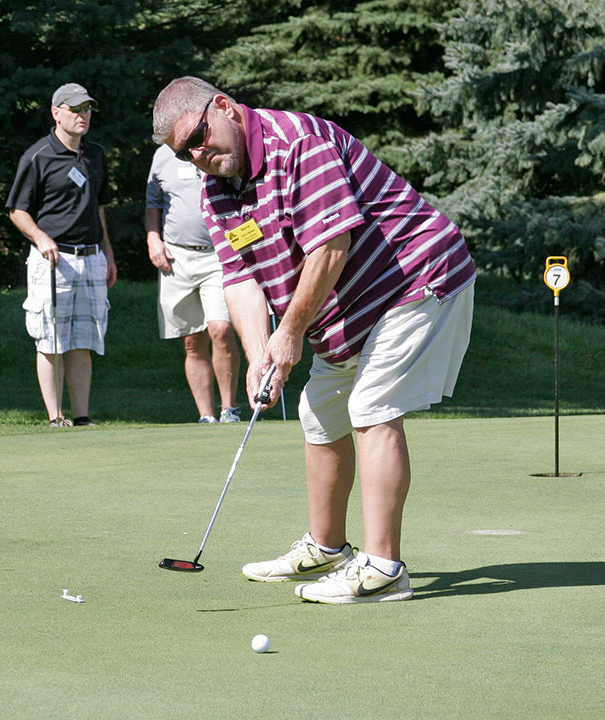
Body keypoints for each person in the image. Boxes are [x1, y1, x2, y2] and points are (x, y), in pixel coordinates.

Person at [152, 76, 475, 604]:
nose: (198, 155)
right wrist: (260, 357)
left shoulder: (296, 142)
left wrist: (290, 334)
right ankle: (329, 549)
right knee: (320, 410)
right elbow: (241, 278)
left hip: (417, 277)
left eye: (199, 137)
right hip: (348, 305)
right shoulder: (215, 189)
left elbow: (331, 246)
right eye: (185, 152)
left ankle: (384, 569)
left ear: (225, 108)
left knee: (372, 407)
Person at [7, 82, 117, 427]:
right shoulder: (38, 155)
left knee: (83, 340)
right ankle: (56, 416)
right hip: (53, 260)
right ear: (56, 113)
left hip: (91, 256)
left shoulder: (96, 154)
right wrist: (41, 238)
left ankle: (82, 416)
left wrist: (108, 255)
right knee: (50, 338)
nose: (83, 115)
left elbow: (99, 208)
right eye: (75, 109)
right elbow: (16, 210)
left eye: (86, 109)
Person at [145, 144, 241, 424]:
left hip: (219, 253)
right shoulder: (162, 154)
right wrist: (153, 239)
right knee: (191, 340)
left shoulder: (215, 147)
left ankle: (229, 409)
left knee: (221, 329)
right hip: (176, 255)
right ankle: (206, 416)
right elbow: (153, 203)